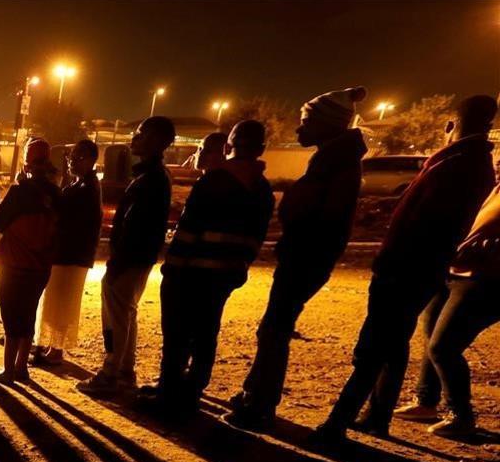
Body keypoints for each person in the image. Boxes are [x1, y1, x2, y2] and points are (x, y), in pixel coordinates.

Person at [315, 95, 496, 442]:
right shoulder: (467, 162)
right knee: (393, 344)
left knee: (373, 346)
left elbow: (429, 223)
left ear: (450, 125)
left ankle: (338, 422)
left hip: (408, 268)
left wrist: (399, 262)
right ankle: (376, 416)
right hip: (416, 267)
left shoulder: (461, 163)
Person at [226, 87, 369, 430]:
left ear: (327, 123)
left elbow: (314, 213)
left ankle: (259, 403)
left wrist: (293, 214)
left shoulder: (334, 164)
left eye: (306, 121)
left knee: (274, 329)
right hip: (305, 253)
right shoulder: (333, 160)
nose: (298, 129)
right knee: (274, 327)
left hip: (306, 255)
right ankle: (254, 392)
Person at [144, 121, 275, 411]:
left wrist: (172, 267)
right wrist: (239, 265)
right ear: (261, 149)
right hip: (225, 275)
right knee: (206, 332)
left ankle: (168, 393)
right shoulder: (262, 189)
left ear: (229, 147)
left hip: (189, 272)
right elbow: (257, 236)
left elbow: (188, 231)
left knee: (177, 334)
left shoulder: (214, 181)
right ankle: (191, 391)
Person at [77, 117, 175, 396]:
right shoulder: (152, 176)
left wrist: (118, 260)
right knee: (126, 315)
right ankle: (124, 371)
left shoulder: (151, 179)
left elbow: (137, 225)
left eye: (141, 134)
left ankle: (111, 373)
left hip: (130, 259)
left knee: (116, 318)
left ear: (158, 141)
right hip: (137, 259)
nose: (134, 139)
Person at [395, 183, 500, 438]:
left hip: (487, 278)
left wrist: (487, 246)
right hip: (458, 270)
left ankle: (460, 415)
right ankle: (426, 401)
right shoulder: (497, 188)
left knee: (443, 346)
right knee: (432, 335)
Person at [0, 138, 61, 383]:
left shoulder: (20, 192)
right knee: (29, 314)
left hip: (12, 263)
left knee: (11, 316)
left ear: (27, 163)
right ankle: (22, 368)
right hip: (40, 266)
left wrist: (17, 186)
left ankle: (8, 370)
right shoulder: (55, 193)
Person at [32, 139, 103, 366]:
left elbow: (69, 217)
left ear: (92, 160)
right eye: (71, 156)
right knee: (55, 300)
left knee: (63, 302)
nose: (72, 161)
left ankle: (56, 351)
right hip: (66, 253)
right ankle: (51, 346)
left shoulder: (88, 188)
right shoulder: (78, 185)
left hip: (73, 254)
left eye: (78, 157)